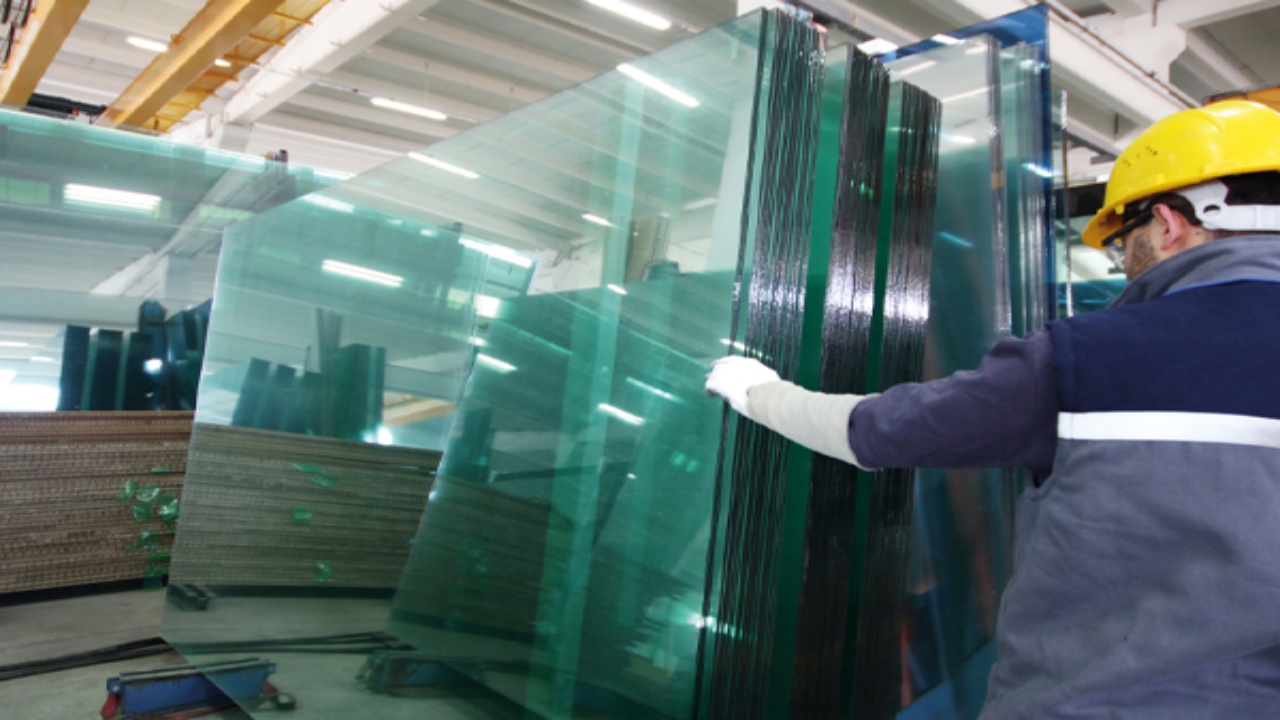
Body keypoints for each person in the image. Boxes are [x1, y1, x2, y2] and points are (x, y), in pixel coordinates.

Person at [705, 99, 1280, 718]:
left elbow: (879, 431)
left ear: (1168, 222)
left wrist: (755, 390)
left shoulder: (1091, 357)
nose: (1124, 265)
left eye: (1123, 244)